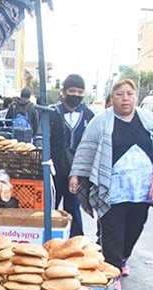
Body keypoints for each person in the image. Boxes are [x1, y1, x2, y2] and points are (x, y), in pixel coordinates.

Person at [69, 79, 153, 290]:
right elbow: (86, 149)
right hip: (112, 188)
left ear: (136, 97)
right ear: (112, 98)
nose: (125, 98)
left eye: (129, 94)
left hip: (141, 189)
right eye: (119, 94)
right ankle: (112, 270)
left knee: (135, 226)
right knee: (112, 229)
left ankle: (123, 258)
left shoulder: (149, 120)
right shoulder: (101, 122)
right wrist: (76, 174)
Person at [49, 74, 95, 237]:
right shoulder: (52, 113)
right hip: (54, 169)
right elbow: (41, 138)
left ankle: (76, 242)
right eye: (72, 91)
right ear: (64, 91)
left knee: (73, 207)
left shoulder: (89, 116)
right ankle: (49, 239)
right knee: (50, 207)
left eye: (80, 92)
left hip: (77, 171)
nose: (75, 95)